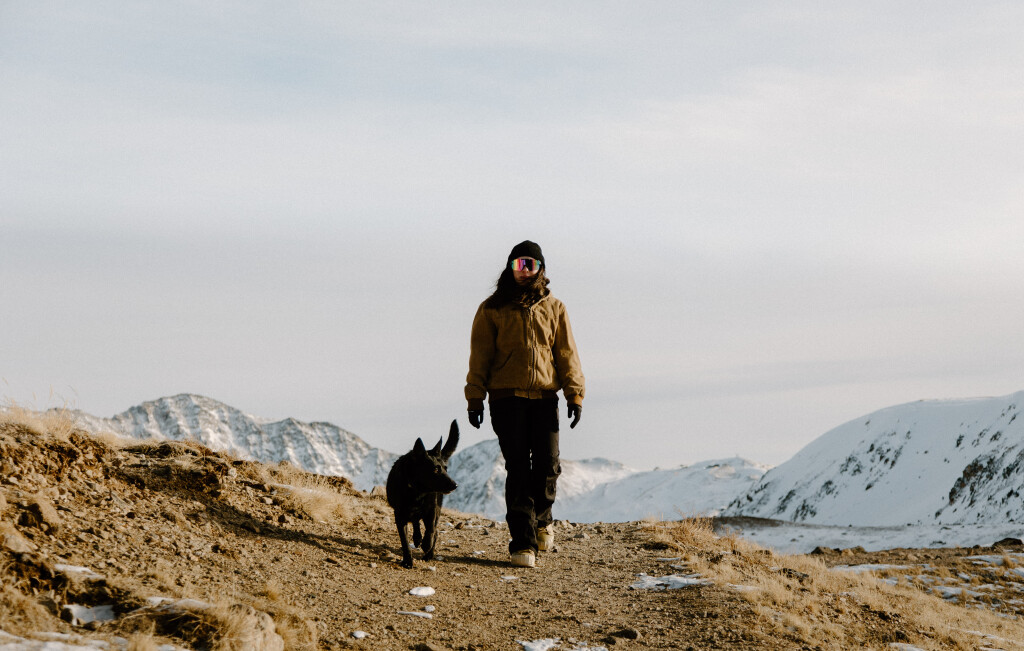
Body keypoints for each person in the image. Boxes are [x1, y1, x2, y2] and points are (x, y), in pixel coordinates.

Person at [465, 240, 585, 568]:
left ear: (541, 269)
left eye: (530, 265)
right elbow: (480, 356)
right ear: (510, 268)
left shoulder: (555, 308)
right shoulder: (491, 309)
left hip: (545, 398)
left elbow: (566, 353)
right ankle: (522, 542)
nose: (523, 271)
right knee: (517, 468)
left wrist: (574, 394)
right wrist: (475, 397)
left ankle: (542, 520)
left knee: (548, 465)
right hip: (506, 398)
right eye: (518, 264)